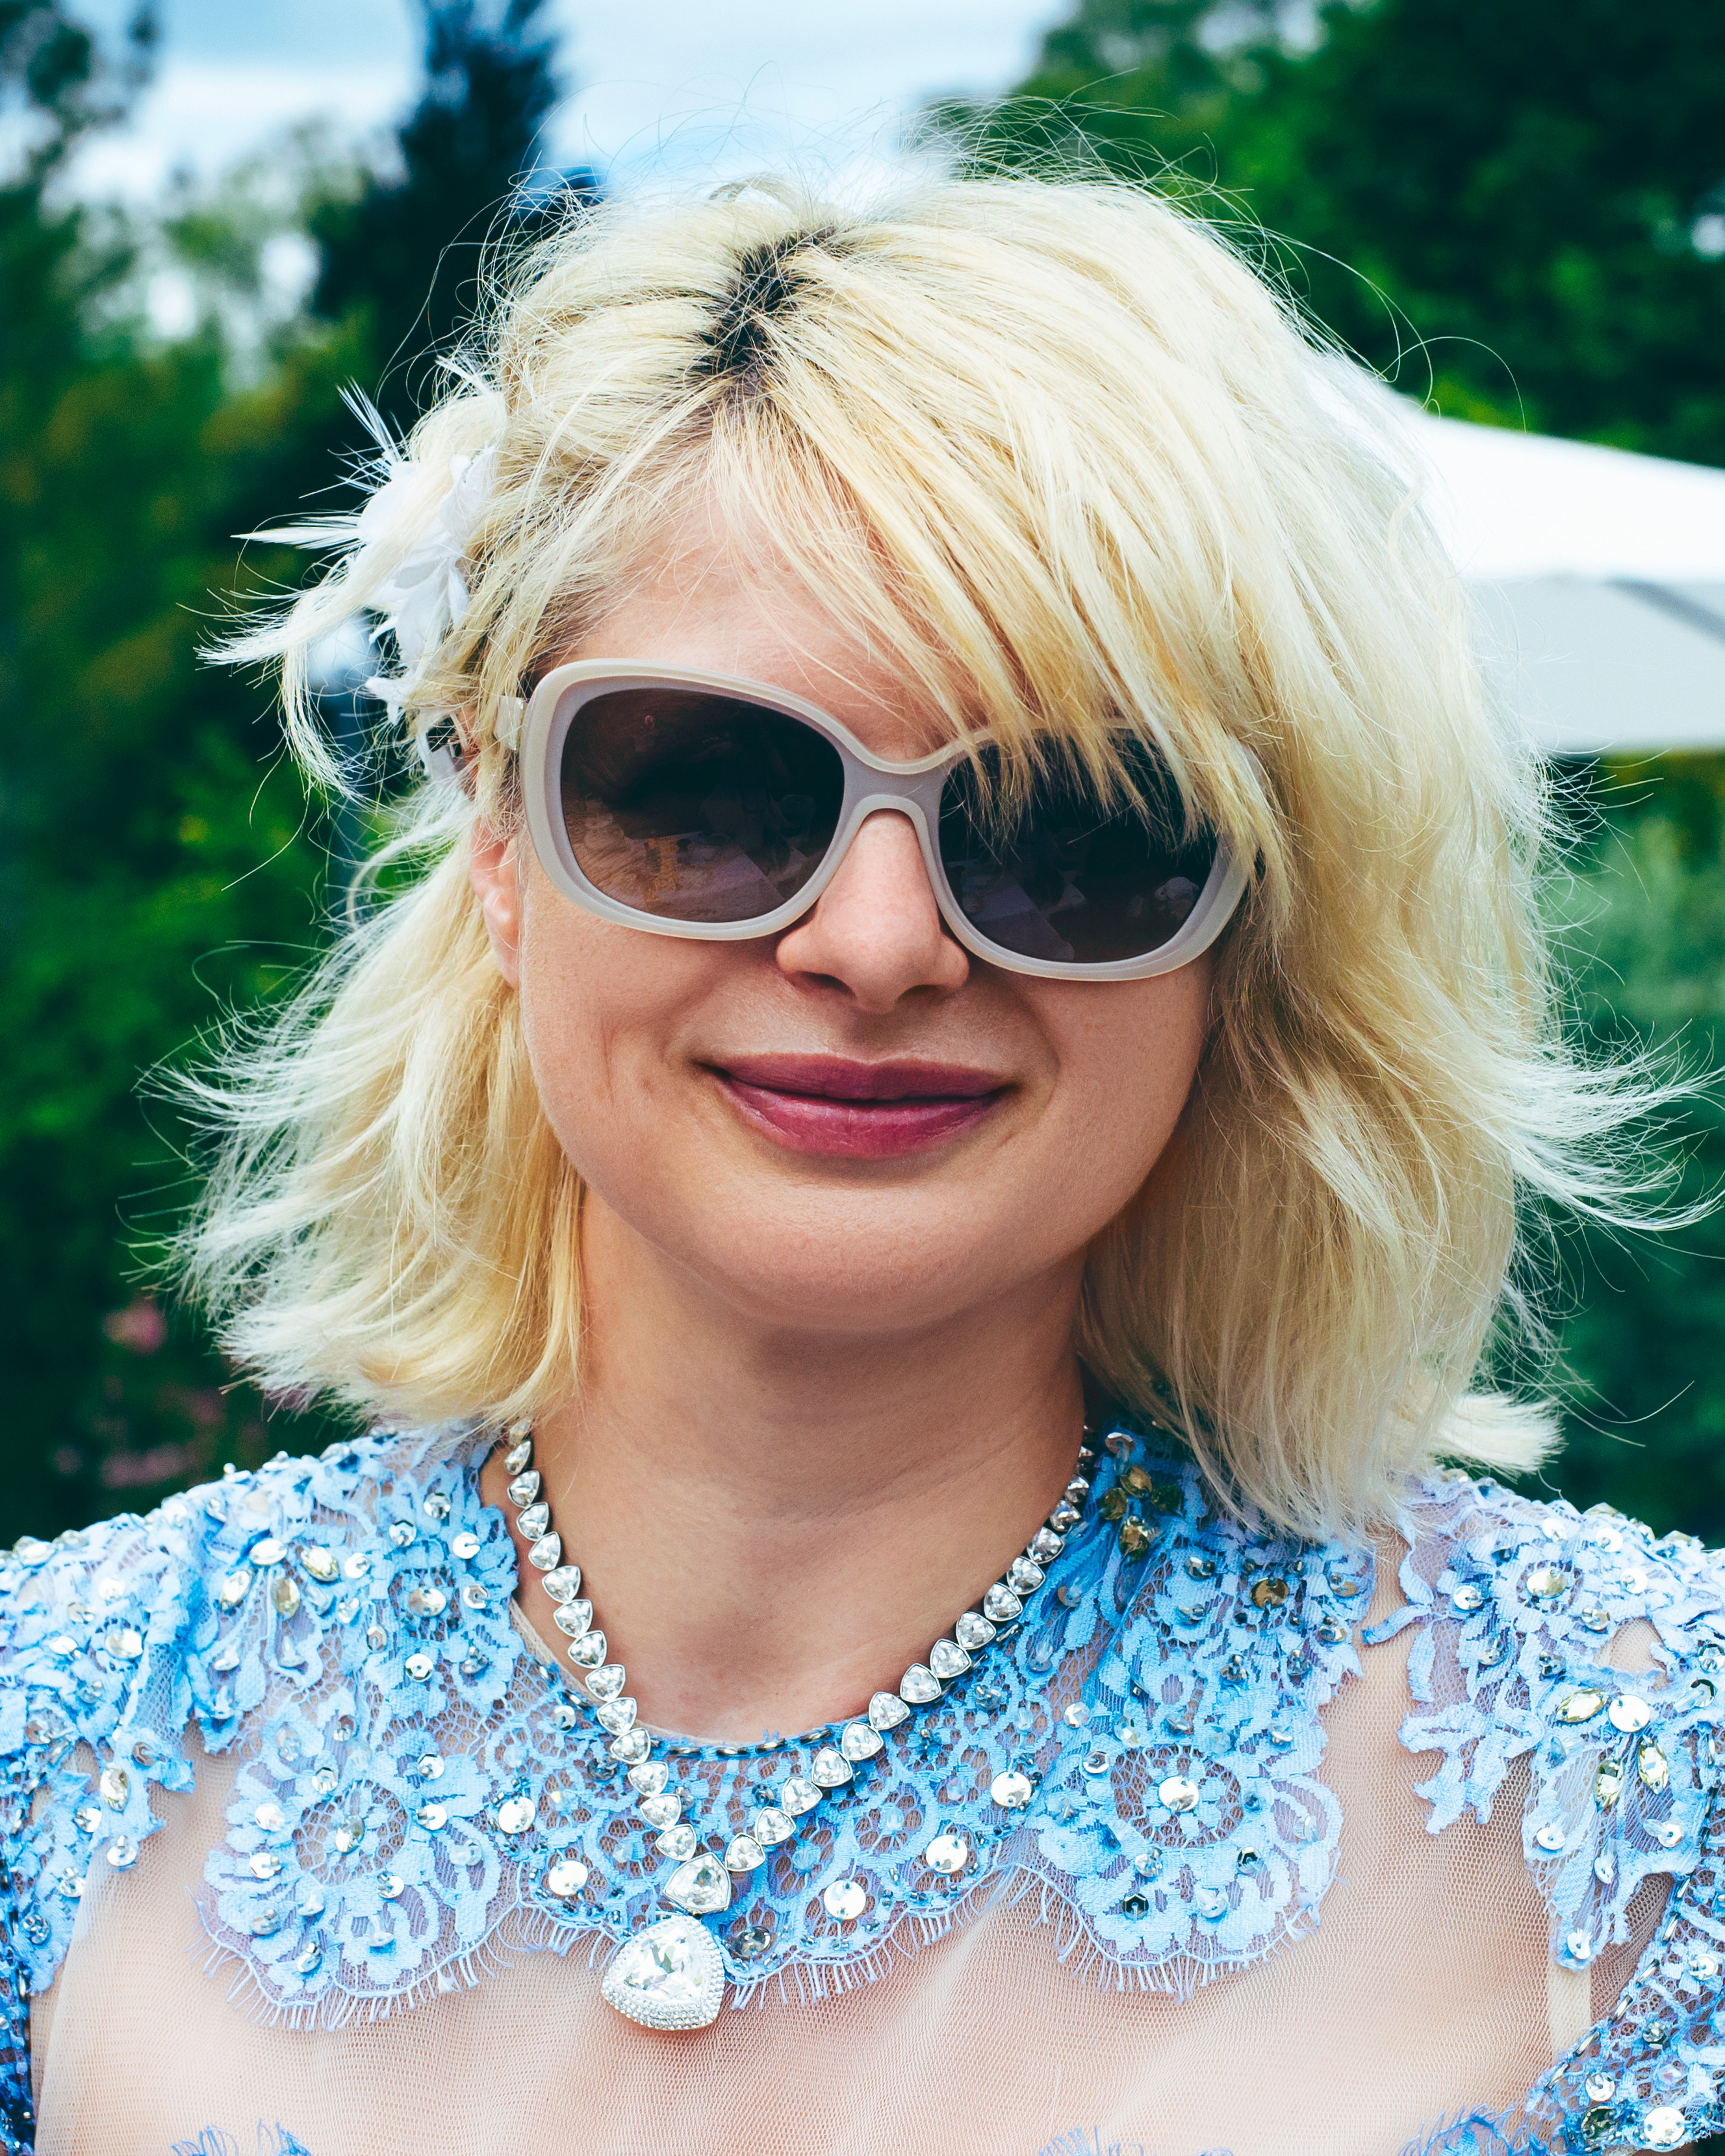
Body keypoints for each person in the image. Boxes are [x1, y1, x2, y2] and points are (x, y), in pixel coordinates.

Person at [1, 170, 1717, 2156]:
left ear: (1247, 920)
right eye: (713, 790)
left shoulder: (1649, 1788)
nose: (878, 941)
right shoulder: (50, 1746)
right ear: (494, 831)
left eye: (1070, 818)